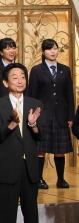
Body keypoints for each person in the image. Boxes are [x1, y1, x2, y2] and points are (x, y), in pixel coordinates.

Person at [0, 63, 52, 223]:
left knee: (31, 214)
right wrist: (13, 124)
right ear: (6, 82)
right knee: (6, 216)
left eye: (23, 77)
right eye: (15, 77)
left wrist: (32, 124)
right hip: (7, 167)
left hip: (30, 167)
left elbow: (42, 135)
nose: (20, 80)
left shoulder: (35, 103)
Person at [27, 39, 74, 189]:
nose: (53, 52)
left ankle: (61, 179)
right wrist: (32, 115)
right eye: (49, 49)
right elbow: (32, 95)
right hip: (43, 115)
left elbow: (69, 94)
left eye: (55, 48)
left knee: (60, 150)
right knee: (41, 149)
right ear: (43, 52)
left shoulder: (65, 69)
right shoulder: (37, 70)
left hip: (61, 115)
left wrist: (70, 116)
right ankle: (39, 179)